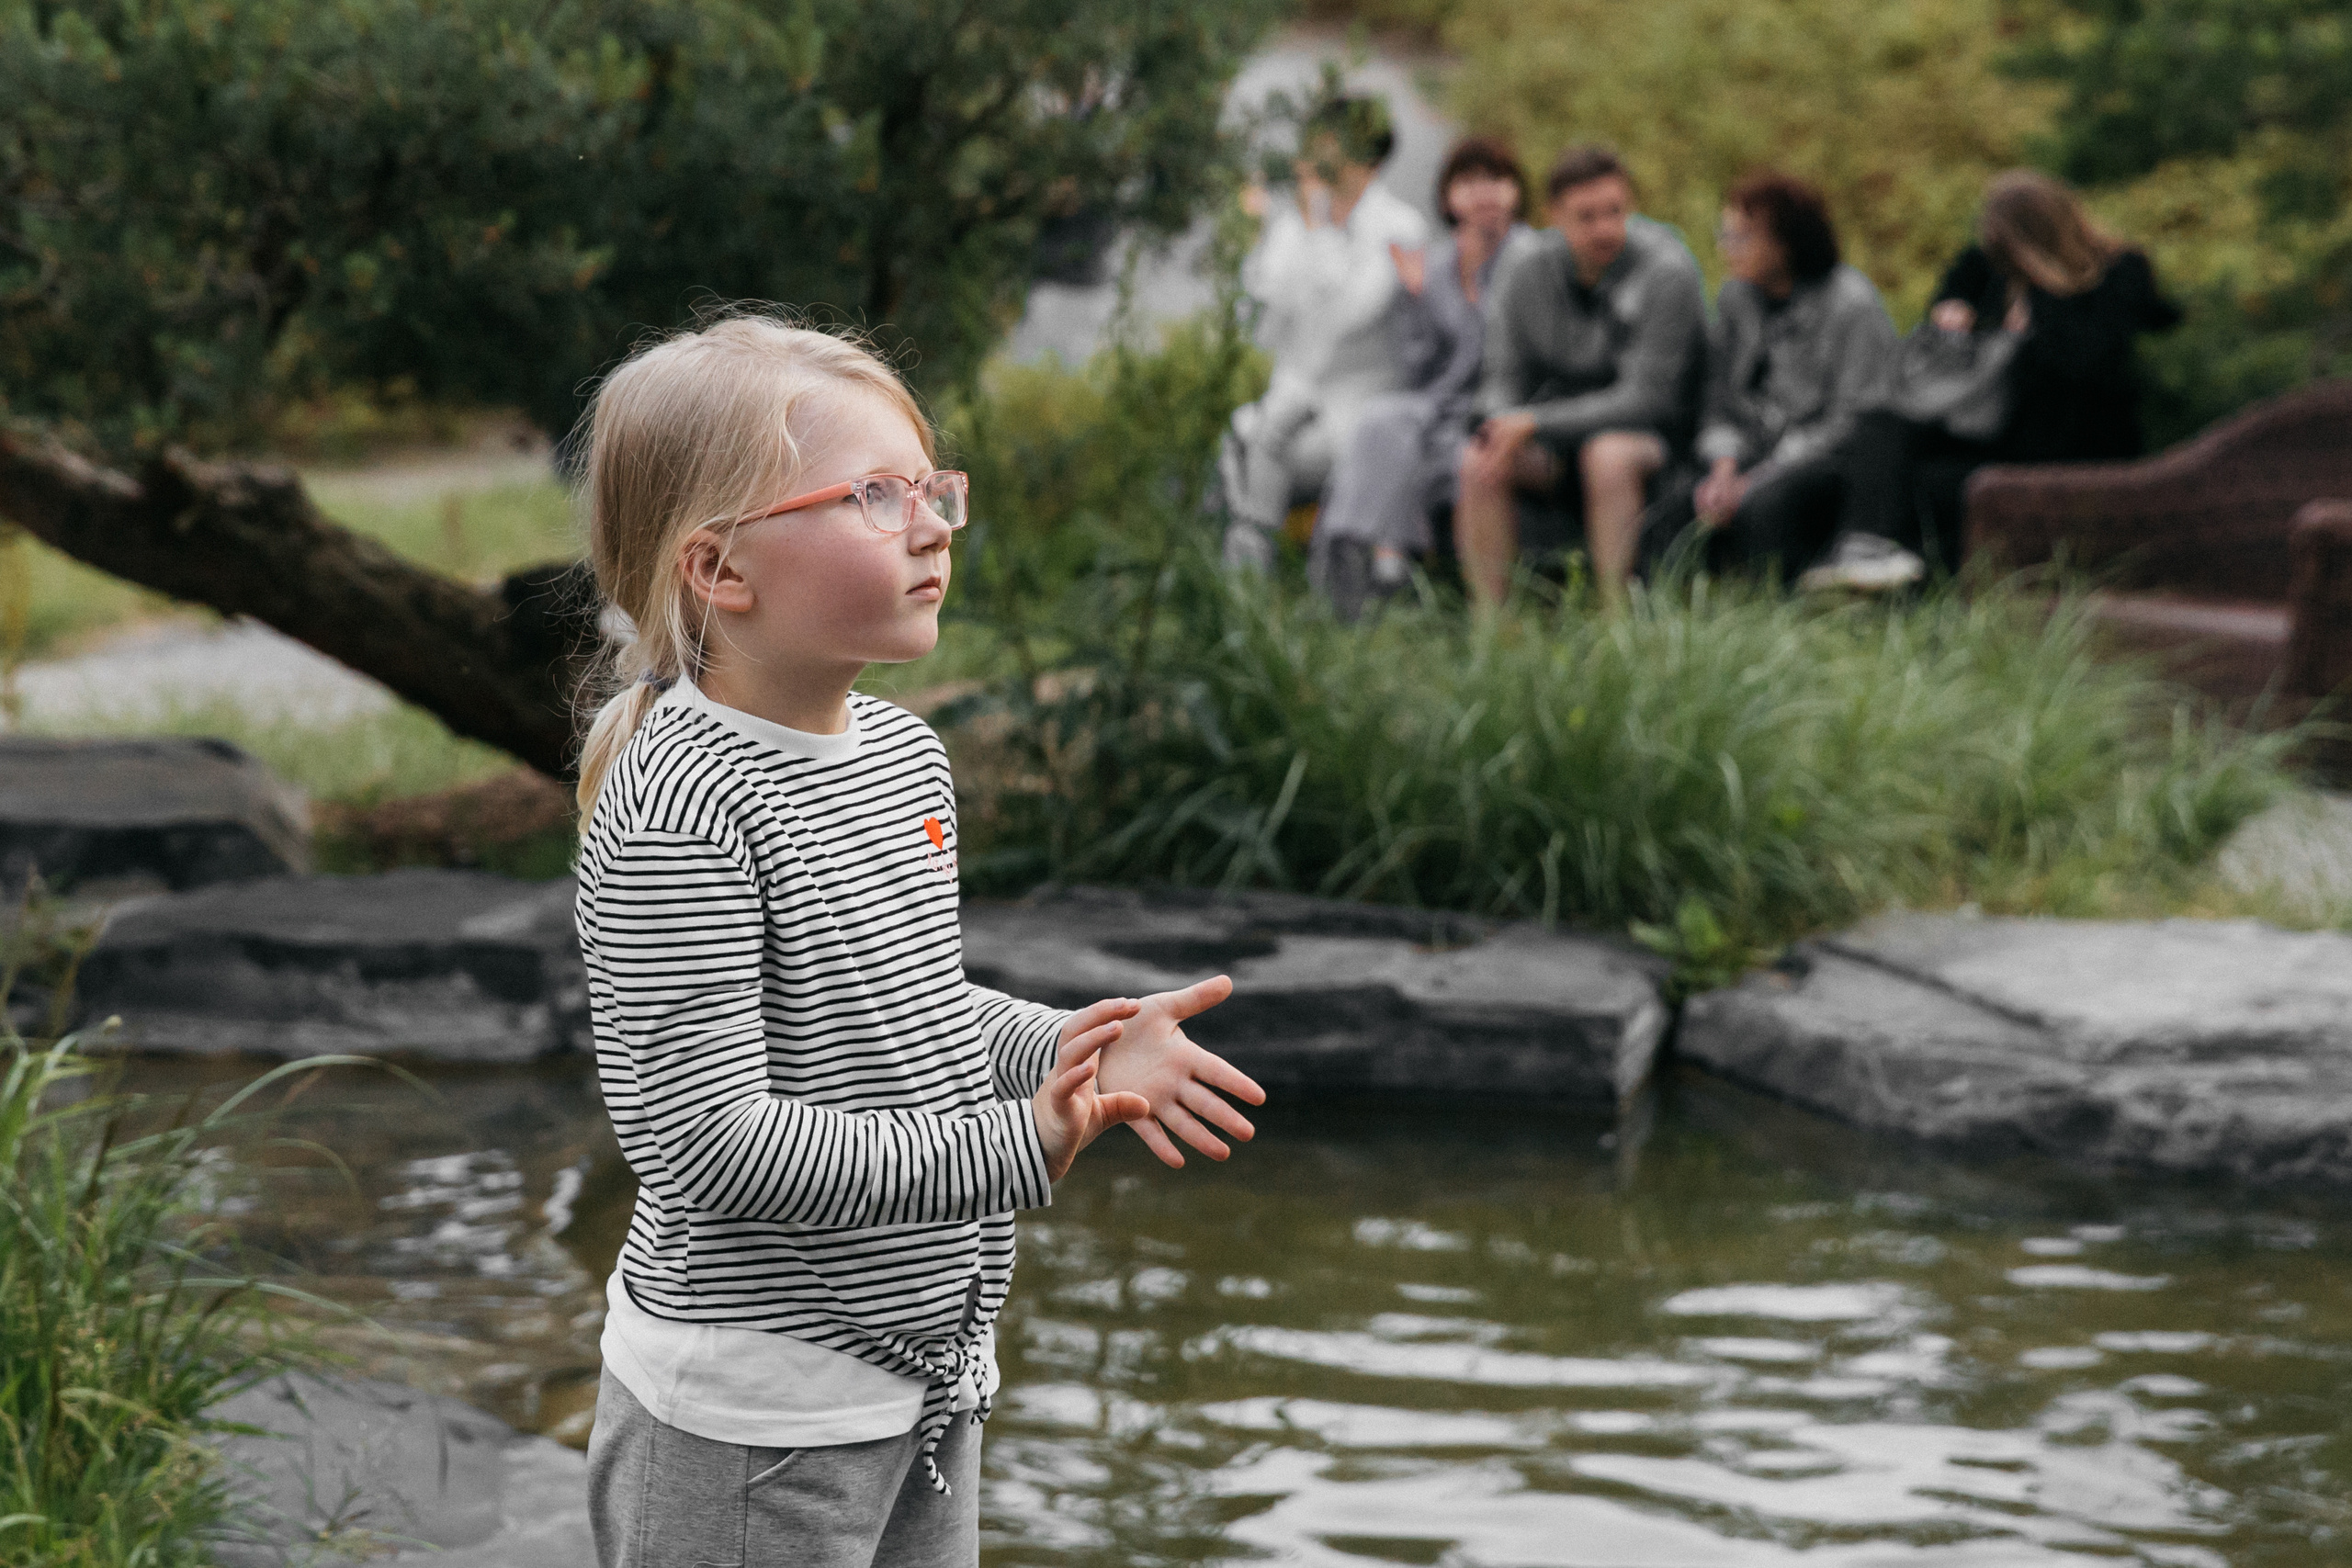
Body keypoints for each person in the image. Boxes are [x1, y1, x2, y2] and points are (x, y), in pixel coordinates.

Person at [571, 314, 1268, 1567]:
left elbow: (914, 1008)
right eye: (875, 496)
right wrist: (1014, 1144)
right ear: (720, 569)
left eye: (932, 488)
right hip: (751, 1415)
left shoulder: (902, 757)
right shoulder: (678, 808)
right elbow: (708, 1145)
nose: (934, 525)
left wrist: (1076, 1047)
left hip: (923, 1378)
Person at [1815, 168, 2183, 583]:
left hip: (2062, 448)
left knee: (1929, 488)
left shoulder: (2117, 274)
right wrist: (1953, 307)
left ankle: (1902, 575)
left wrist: (2040, 301)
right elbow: (1958, 283)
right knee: (1881, 426)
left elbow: (2087, 362)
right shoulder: (1992, 270)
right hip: (1989, 431)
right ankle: (1865, 553)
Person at [1457, 145, 1706, 605]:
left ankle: (1617, 617)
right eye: (1586, 217)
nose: (1604, 229)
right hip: (1555, 442)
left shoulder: (1667, 270)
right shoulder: (1525, 267)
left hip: (1650, 441)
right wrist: (1499, 424)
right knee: (1479, 460)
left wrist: (1535, 422)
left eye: (1615, 211)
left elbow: (1647, 398)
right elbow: (1502, 374)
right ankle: (1491, 625)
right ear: (1553, 217)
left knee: (1607, 456)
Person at [1310, 136, 1539, 617]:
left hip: (1503, 406)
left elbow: (1510, 357)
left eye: (1497, 180)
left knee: (1415, 438)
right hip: (1439, 403)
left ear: (1516, 191)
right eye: (1469, 182)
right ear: (1448, 196)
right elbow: (1415, 367)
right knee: (1385, 420)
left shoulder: (1532, 257)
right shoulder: (1434, 265)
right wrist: (1413, 298)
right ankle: (1355, 556)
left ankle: (1388, 561)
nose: (1485, 193)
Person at [1221, 93, 1431, 571]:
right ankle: (1249, 582)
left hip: (1362, 406)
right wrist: (1254, 237)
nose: (1314, 153)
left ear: (1367, 156)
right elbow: (1259, 325)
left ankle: (1272, 580)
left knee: (1254, 458)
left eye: (1329, 141)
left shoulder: (1400, 228)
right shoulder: (1293, 227)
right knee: (1243, 448)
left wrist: (1316, 234)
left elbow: (1351, 314)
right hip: (1294, 399)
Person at [1662, 172, 1897, 579]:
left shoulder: (1851, 305)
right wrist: (1723, 467)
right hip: (1750, 451)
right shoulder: (1736, 299)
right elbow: (1718, 401)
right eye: (1725, 234)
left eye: (1742, 237)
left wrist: (1758, 478)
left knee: (1767, 506)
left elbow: (1853, 419)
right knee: (1678, 497)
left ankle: (1777, 605)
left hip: (1824, 462)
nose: (1727, 248)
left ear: (1785, 244)